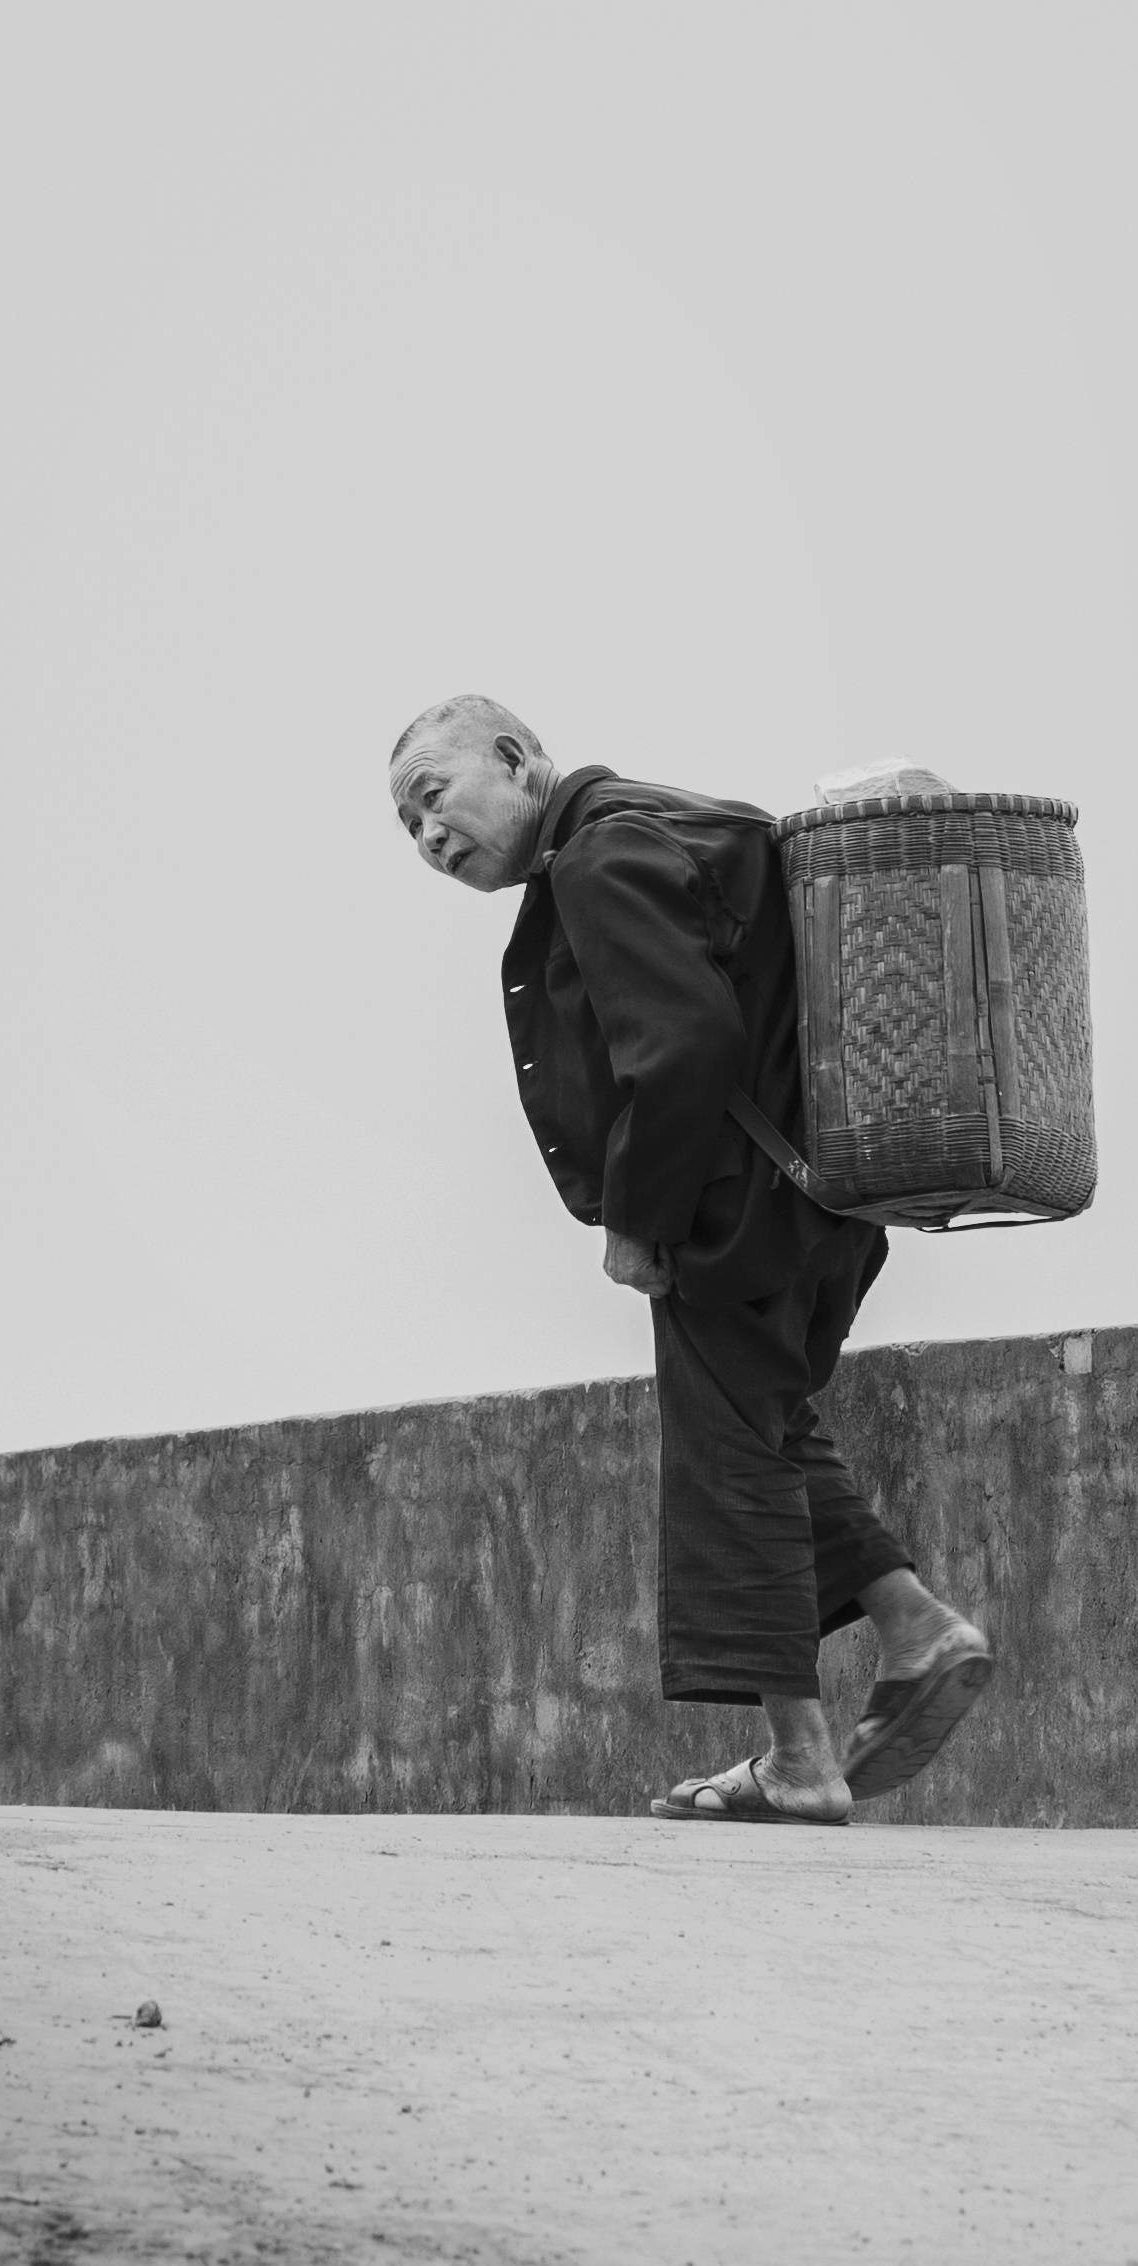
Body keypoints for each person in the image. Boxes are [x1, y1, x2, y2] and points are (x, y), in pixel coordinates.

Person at [389, 696, 995, 1827]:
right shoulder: (680, 820)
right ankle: (914, 1628)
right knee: (766, 1427)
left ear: (516, 760)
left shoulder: (599, 857)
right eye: (409, 830)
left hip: (732, 1208)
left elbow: (683, 1045)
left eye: (433, 798)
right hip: (825, 1198)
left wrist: (637, 1217)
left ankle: (802, 1758)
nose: (428, 838)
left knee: (728, 1462)